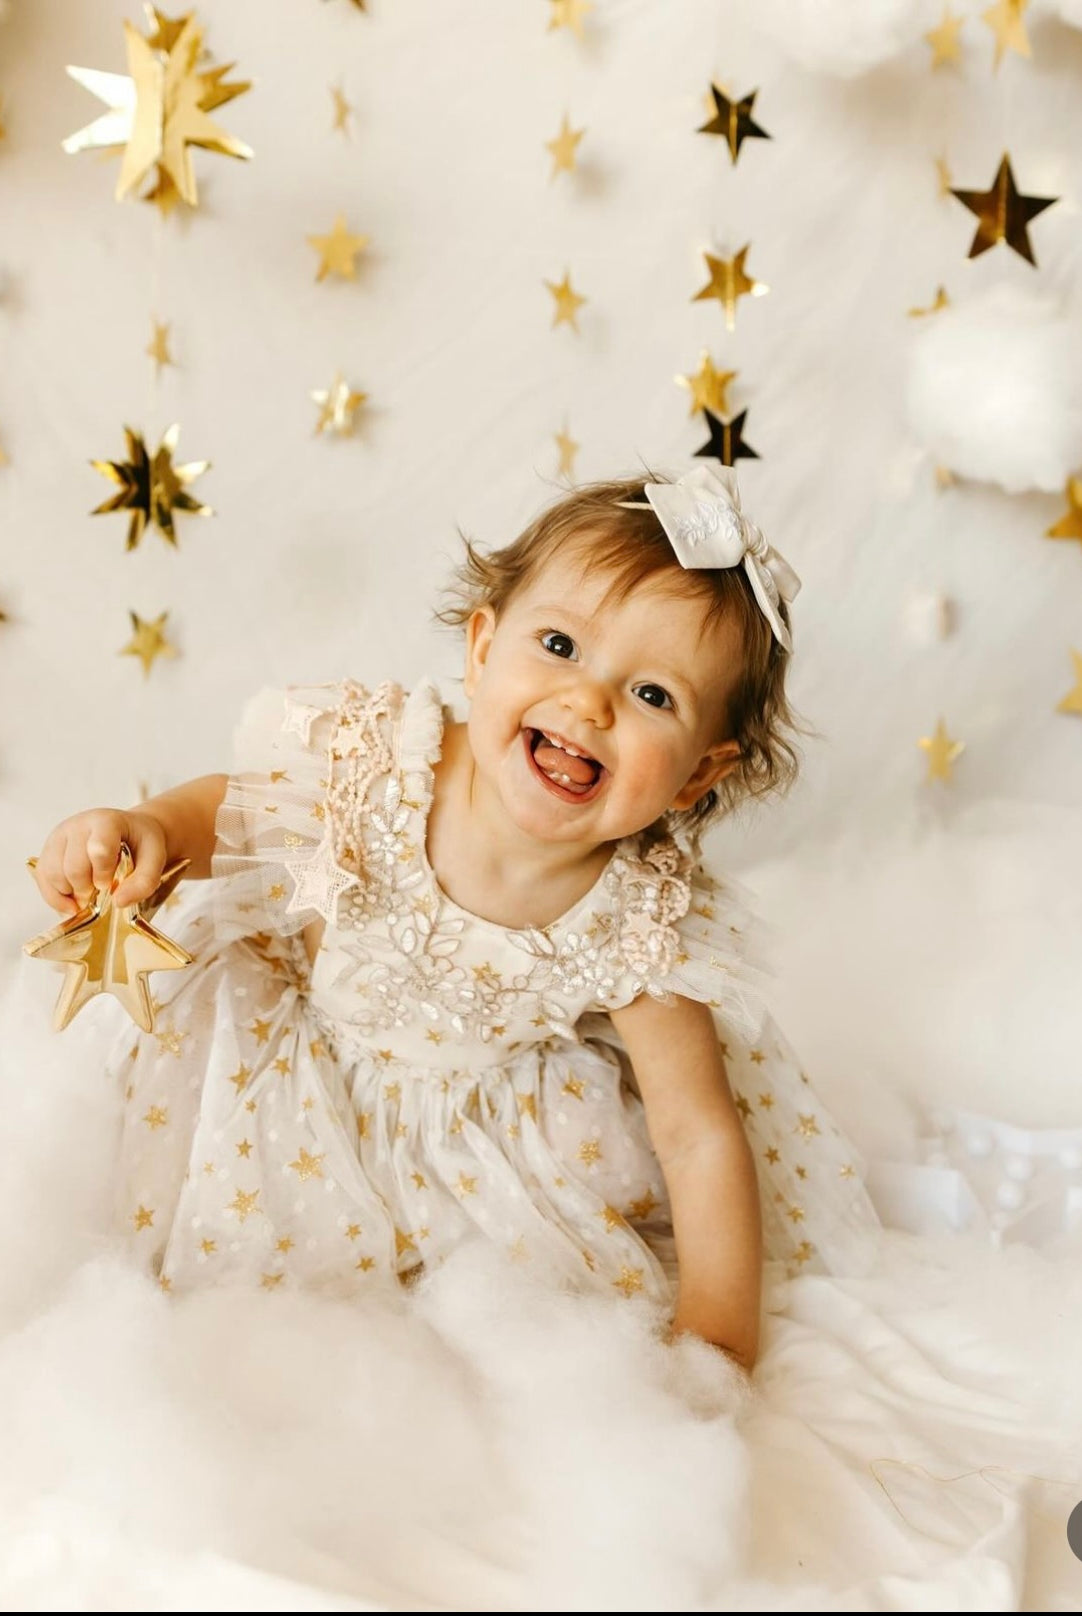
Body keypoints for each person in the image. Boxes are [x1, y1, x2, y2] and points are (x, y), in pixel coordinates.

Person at [28, 464, 881, 1374]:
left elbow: (697, 1134)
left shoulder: (639, 917)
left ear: (700, 775)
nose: (587, 702)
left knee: (482, 1343)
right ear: (481, 649)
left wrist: (717, 1340)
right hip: (291, 1081)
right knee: (164, 1158)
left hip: (477, 1142)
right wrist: (144, 830)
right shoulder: (381, 761)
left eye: (652, 696)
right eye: (559, 644)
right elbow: (234, 812)